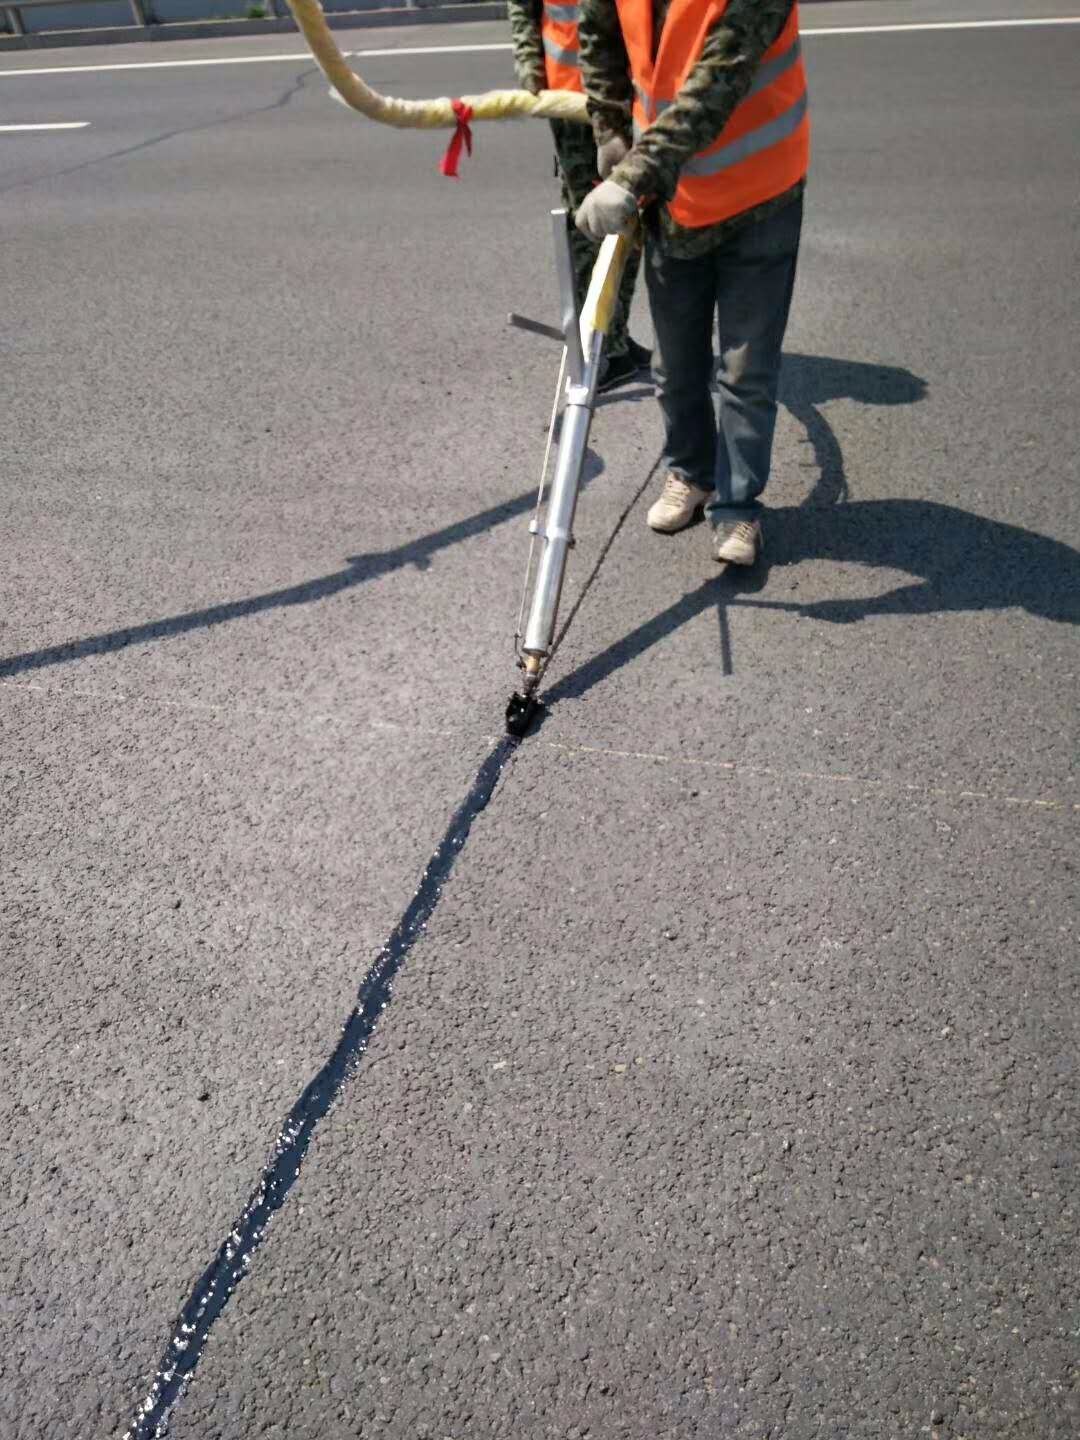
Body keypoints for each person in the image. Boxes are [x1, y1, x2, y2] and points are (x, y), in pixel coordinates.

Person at [575, 0, 808, 565]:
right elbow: (599, 39)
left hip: (760, 194)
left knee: (745, 369)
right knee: (675, 362)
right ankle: (692, 474)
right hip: (674, 197)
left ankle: (736, 507)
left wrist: (631, 176)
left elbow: (716, 85)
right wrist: (609, 127)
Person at [507, 0, 652, 391]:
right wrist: (529, 63)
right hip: (573, 96)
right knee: (589, 224)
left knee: (629, 217)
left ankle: (614, 336)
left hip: (632, 90)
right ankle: (594, 353)